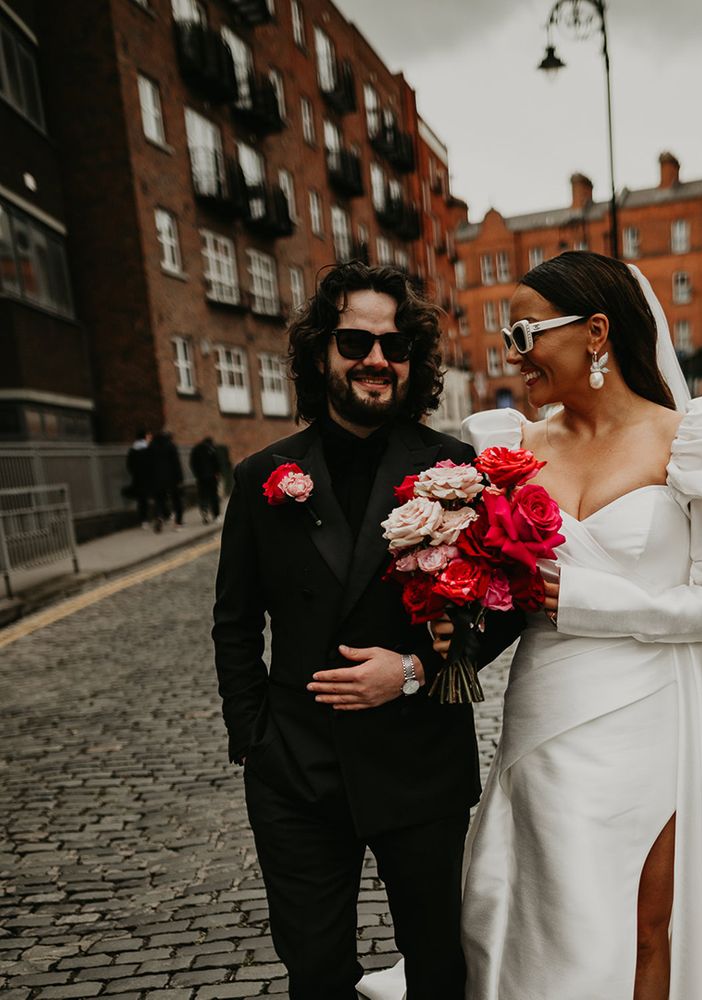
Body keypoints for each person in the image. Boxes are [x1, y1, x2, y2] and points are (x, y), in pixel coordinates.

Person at [359, 251, 702, 1000]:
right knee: (549, 908)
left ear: (596, 331)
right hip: (550, 706)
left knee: (646, 920)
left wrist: (590, 602)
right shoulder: (505, 450)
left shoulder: (699, 442)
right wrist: (446, 611)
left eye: (526, 330)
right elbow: (489, 594)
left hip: (654, 709)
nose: (513, 351)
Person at [212, 261, 522, 1000]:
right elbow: (234, 621)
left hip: (419, 762)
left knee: (439, 972)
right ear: (322, 352)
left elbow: (506, 603)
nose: (376, 360)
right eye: (355, 341)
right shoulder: (266, 476)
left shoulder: (454, 468)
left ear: (413, 361)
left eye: (394, 345)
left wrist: (415, 670)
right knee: (316, 973)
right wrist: (255, 740)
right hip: (295, 770)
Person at [148, 429, 184, 532]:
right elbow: (176, 463)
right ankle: (178, 523)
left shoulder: (151, 446)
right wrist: (180, 479)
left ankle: (159, 516)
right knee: (176, 500)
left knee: (159, 500)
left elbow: (147, 465)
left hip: (156, 479)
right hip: (172, 478)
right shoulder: (171, 446)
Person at [190, 435, 222, 523]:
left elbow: (192, 463)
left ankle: (204, 509)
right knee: (214, 496)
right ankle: (216, 515)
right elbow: (216, 462)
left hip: (201, 477)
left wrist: (197, 474)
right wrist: (217, 473)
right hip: (211, 477)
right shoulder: (212, 449)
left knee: (202, 495)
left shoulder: (196, 449)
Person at [125, 427, 152, 527]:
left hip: (138, 478)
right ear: (145, 437)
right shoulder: (148, 449)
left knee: (142, 500)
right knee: (158, 496)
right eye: (149, 436)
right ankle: (163, 515)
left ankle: (144, 520)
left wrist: (135, 473)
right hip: (149, 477)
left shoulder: (132, 450)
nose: (150, 437)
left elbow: (129, 465)